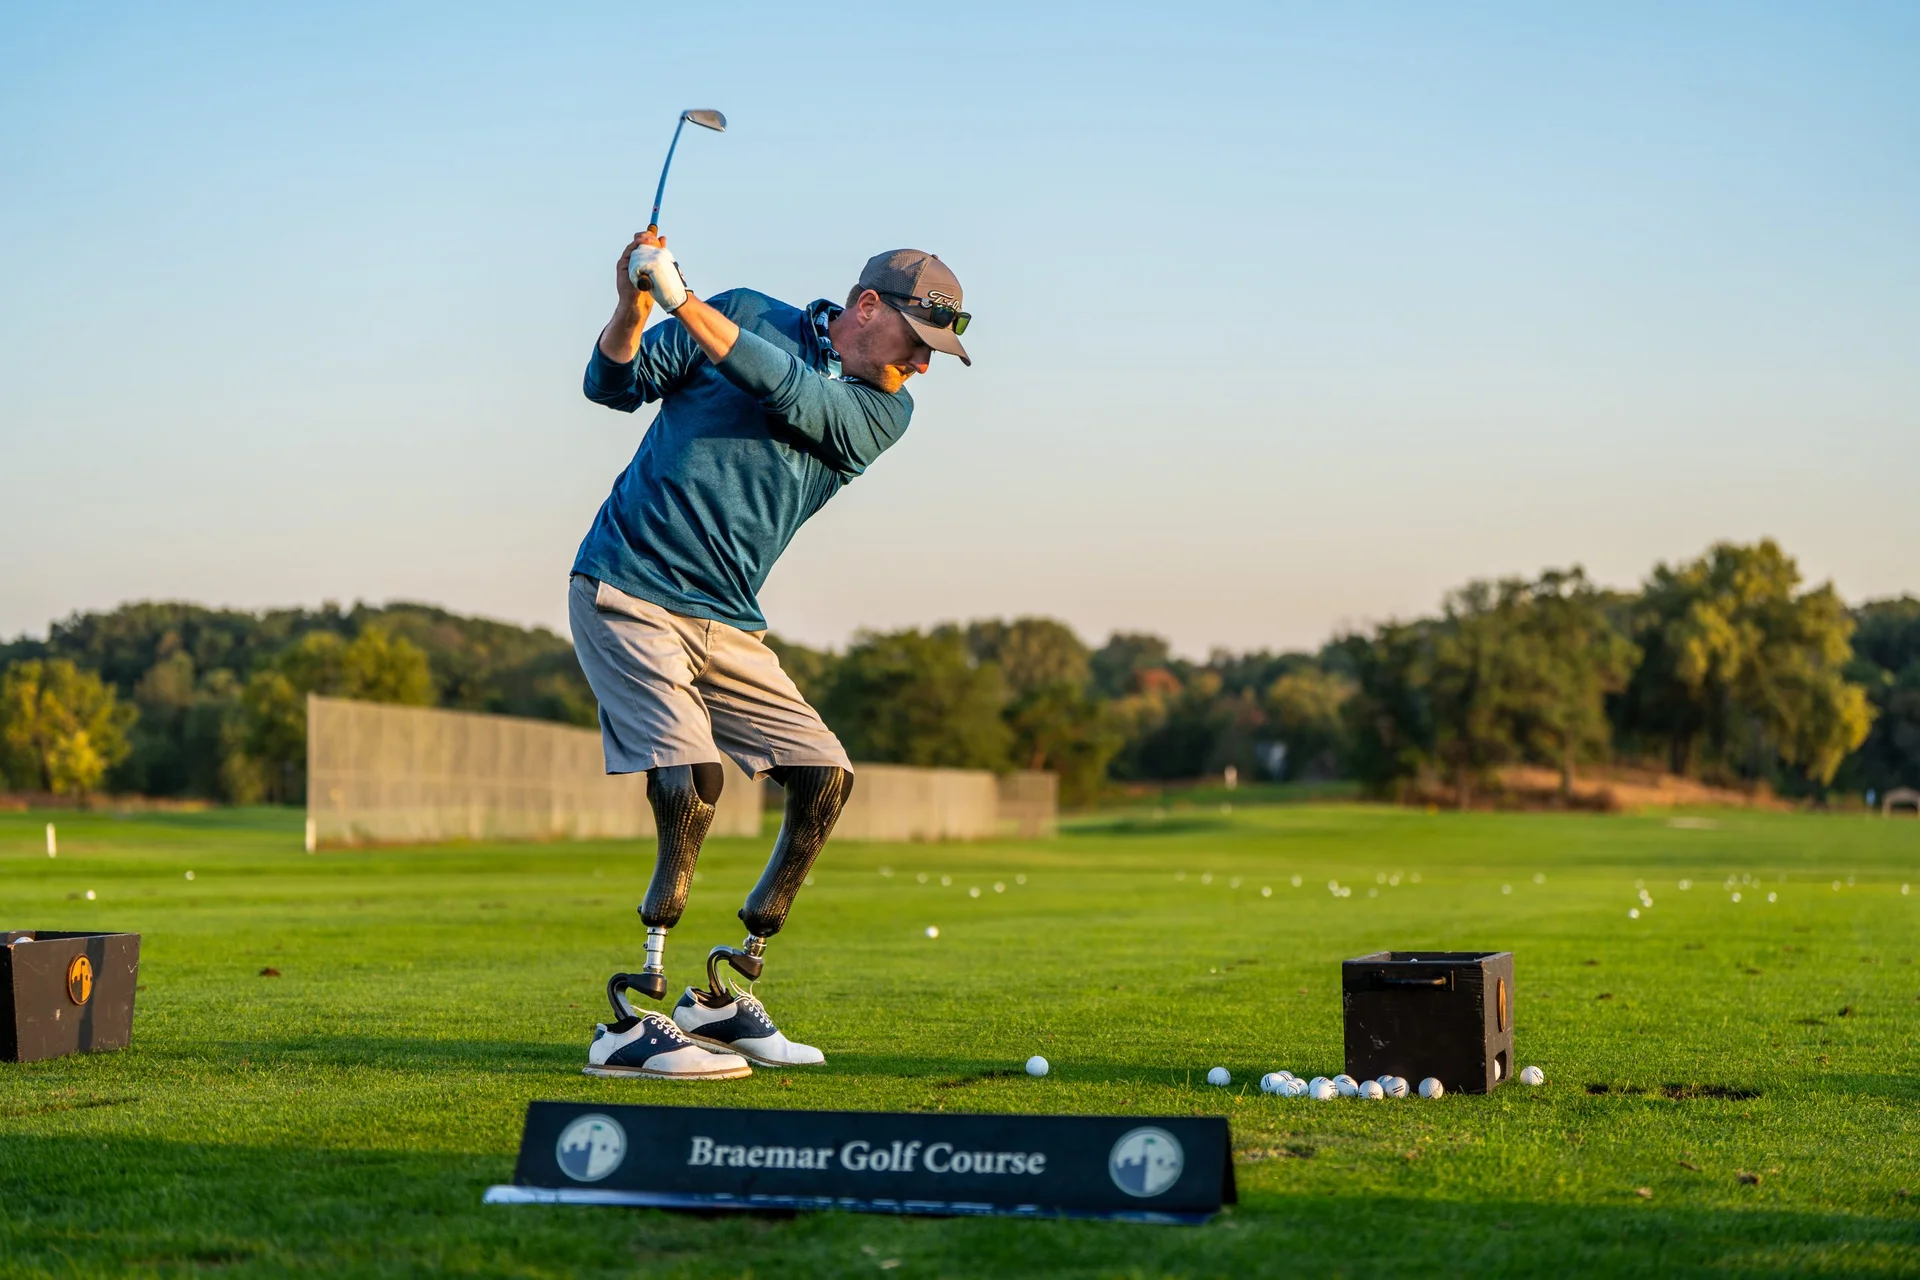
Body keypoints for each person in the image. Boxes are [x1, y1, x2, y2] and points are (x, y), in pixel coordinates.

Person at [569, 228, 970, 1079]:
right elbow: (613, 384)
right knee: (690, 783)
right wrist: (633, 309)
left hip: (727, 620)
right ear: (868, 308)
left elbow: (786, 389)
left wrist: (684, 302)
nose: (925, 366)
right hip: (629, 585)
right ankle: (630, 1016)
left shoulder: (882, 409)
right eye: (919, 343)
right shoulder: (747, 311)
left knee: (825, 778)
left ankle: (720, 996)